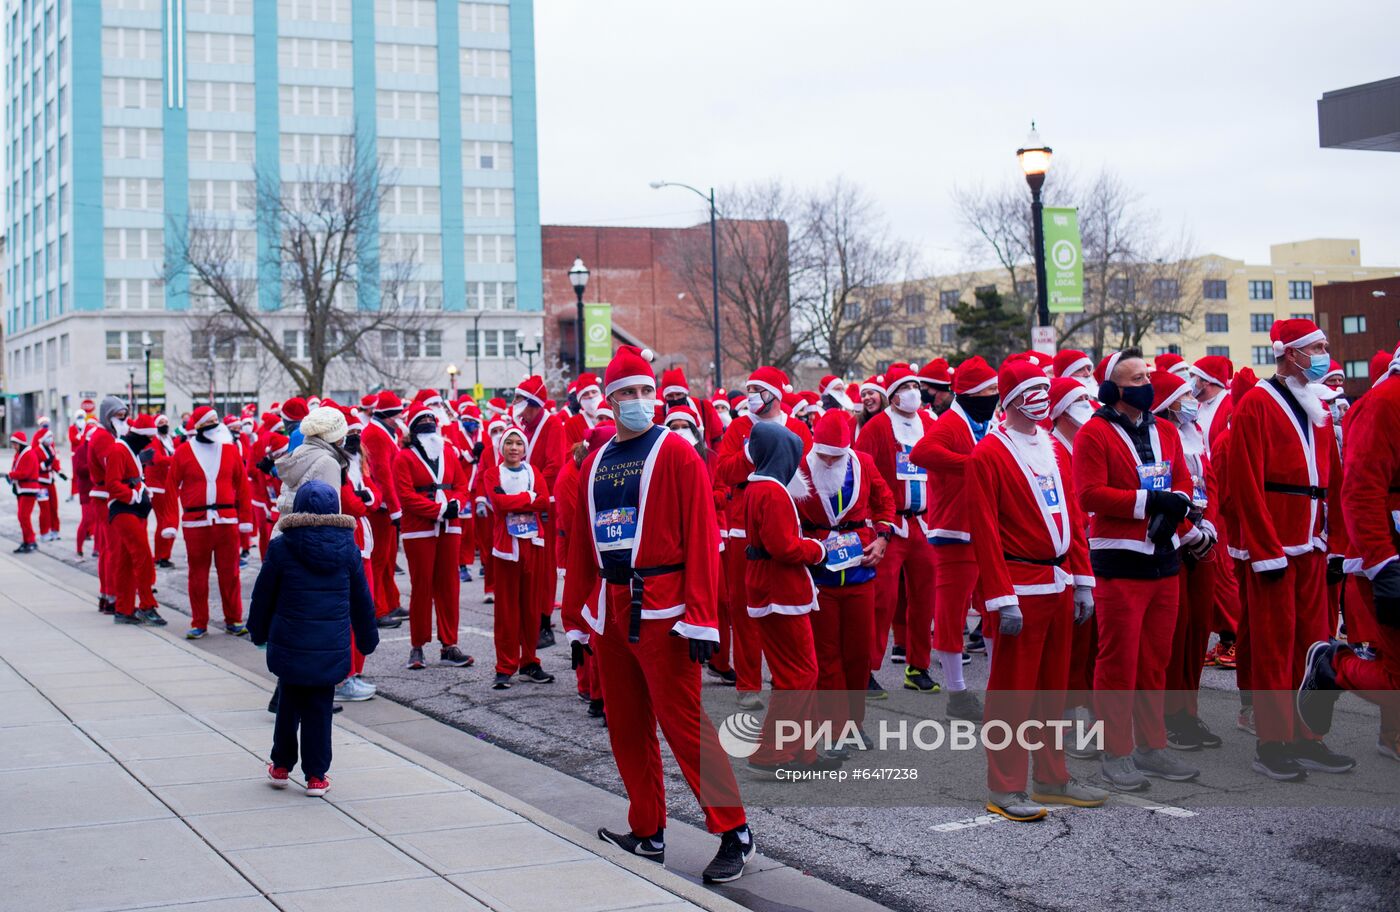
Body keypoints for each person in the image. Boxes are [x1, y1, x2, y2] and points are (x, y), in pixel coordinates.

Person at [560, 345, 754, 884]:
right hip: (610, 608)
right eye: (629, 392)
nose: (641, 401)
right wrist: (576, 619)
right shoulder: (595, 460)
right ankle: (647, 832)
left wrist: (702, 617)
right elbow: (582, 544)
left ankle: (734, 829)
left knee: (684, 725)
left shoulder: (677, 452)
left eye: (647, 391)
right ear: (611, 399)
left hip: (667, 609)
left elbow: (702, 536)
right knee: (626, 727)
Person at [968, 359, 1106, 821]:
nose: (1041, 396)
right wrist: (1001, 598)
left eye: (1043, 388)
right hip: (1020, 588)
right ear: (1008, 399)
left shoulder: (1055, 448)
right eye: (1030, 388)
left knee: (1055, 692)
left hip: (1061, 583)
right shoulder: (988, 453)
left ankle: (1052, 777)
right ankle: (1004, 787)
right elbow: (984, 533)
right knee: (1012, 694)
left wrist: (1084, 582)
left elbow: (1075, 521)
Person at [1228, 319, 1355, 780]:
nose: (1324, 354)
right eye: (1317, 347)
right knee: (1273, 648)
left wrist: (1338, 543)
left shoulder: (1318, 404)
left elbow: (1335, 479)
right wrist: (1265, 550)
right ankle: (1272, 741)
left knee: (1313, 646)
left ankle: (1309, 737)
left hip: (1315, 542)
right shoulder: (1255, 406)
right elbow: (1246, 483)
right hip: (1277, 546)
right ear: (1291, 353)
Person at [1074, 349, 1200, 790]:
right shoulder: (1095, 433)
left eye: (1147, 375)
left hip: (1164, 559)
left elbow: (1183, 479)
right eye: (1136, 378)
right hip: (1120, 561)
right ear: (1113, 390)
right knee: (1118, 662)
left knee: (1154, 661)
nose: (1147, 383)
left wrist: (1177, 508)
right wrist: (1149, 504)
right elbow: (1090, 494)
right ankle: (1116, 752)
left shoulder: (1165, 429)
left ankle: (1152, 746)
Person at [1297, 342, 1400, 762]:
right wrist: (1384, 563)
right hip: (1389, 554)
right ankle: (1332, 666)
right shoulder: (1384, 403)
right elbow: (1359, 490)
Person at [250, 480, 379, 797]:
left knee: (288, 705)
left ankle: (281, 765)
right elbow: (361, 598)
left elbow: (263, 594)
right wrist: (367, 637)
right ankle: (316, 775)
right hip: (330, 646)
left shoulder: (282, 546)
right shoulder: (348, 547)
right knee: (320, 710)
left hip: (291, 643)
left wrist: (258, 630)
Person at [714, 366, 814, 709]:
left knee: (789, 605)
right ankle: (748, 682)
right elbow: (723, 472)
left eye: (758, 389)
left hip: (789, 521)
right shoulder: (739, 428)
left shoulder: (798, 428)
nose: (751, 395)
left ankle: (786, 675)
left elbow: (809, 474)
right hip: (745, 526)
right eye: (748, 388)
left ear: (775, 393)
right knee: (744, 606)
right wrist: (749, 455)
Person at [797, 410, 894, 746]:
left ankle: (854, 725)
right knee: (826, 657)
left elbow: (885, 502)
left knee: (857, 656)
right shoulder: (801, 465)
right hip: (820, 576)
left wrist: (882, 538)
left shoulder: (863, 463)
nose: (829, 459)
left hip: (859, 571)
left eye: (836, 455)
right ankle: (833, 728)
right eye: (824, 453)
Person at [911, 356, 998, 717]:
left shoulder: (991, 421)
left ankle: (999, 686)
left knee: (994, 608)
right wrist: (975, 464)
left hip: (989, 529)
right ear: (974, 393)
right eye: (990, 390)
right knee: (951, 613)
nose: (995, 396)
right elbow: (921, 452)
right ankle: (957, 693)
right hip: (954, 531)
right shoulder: (950, 422)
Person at [1150, 371, 1224, 751]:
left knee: (1198, 630)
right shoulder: (1158, 437)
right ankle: (1168, 715)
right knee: (1174, 634)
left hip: (1203, 539)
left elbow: (1208, 485)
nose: (1191, 400)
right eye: (1183, 396)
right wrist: (1188, 533)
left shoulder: (1195, 435)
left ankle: (1188, 712)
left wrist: (1207, 526)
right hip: (1174, 542)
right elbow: (1163, 492)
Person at [855, 363, 939, 694]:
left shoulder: (930, 423)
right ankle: (865, 669)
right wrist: (873, 524)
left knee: (925, 598)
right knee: (882, 601)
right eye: (906, 386)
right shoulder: (876, 428)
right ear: (892, 395)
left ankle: (918, 666)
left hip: (924, 523)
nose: (913, 392)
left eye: (916, 385)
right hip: (888, 526)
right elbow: (861, 474)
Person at [394, 403, 474, 670]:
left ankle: (449, 645)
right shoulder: (403, 457)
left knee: (449, 586)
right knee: (422, 587)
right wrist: (439, 509)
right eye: (422, 420)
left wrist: (456, 504)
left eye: (432, 419)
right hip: (419, 529)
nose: (429, 423)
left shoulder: (449, 452)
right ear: (413, 429)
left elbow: (462, 485)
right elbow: (406, 496)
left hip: (450, 526)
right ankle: (417, 646)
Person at [169, 407, 254, 639]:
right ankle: (199, 622)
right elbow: (170, 488)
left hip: (227, 521)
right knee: (197, 575)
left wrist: (246, 520)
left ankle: (234, 619)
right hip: (195, 523)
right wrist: (169, 523)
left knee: (231, 573)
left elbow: (243, 487)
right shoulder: (183, 452)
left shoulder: (230, 450)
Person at [483, 425, 554, 688]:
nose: (514, 448)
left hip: (532, 544)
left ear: (525, 448)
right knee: (506, 610)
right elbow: (499, 505)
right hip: (506, 549)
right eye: (509, 443)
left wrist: (519, 499)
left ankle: (530, 662)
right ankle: (505, 666)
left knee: (531, 608)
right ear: (502, 448)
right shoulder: (493, 474)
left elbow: (545, 501)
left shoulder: (533, 472)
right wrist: (529, 497)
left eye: (519, 444)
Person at [512, 375, 568, 649]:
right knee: (528, 565)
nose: (516, 405)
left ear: (533, 403)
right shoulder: (524, 426)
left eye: (520, 400)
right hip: (527, 502)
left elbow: (555, 467)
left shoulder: (552, 425)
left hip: (544, 504)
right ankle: (531, 619)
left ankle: (545, 623)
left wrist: (529, 490)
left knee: (544, 568)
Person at [106, 414, 165, 626]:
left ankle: (123, 609)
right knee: (143, 557)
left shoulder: (127, 449)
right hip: (124, 510)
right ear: (140, 436)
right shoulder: (118, 450)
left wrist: (140, 490)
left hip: (133, 510)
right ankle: (146, 606)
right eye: (148, 438)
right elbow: (112, 484)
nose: (150, 443)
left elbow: (130, 479)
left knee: (126, 561)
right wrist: (134, 494)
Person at [363, 390, 408, 627]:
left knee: (389, 558)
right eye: (397, 415)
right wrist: (395, 508)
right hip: (381, 506)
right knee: (379, 558)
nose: (399, 419)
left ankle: (390, 602)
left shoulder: (385, 433)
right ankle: (377, 608)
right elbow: (383, 473)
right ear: (388, 416)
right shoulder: (376, 435)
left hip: (387, 505)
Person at [90, 396, 130, 614]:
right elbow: (113, 467)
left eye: (123, 416)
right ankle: (113, 596)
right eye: (117, 416)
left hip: (104, 494)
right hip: (108, 496)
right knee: (114, 548)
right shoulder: (104, 438)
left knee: (107, 549)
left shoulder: (104, 435)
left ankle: (107, 594)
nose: (122, 420)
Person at [275, 406, 349, 514]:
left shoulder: (299, 451)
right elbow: (331, 512)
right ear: (336, 436)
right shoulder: (328, 463)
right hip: (315, 529)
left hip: (290, 528)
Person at [149, 415, 179, 568]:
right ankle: (160, 556)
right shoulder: (154, 440)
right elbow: (157, 459)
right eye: (161, 423)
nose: (164, 425)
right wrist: (176, 459)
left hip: (167, 485)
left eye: (166, 423)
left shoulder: (168, 439)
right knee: (163, 521)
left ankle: (163, 555)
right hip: (157, 486)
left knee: (168, 520)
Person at [10, 430, 40, 553]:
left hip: (29, 489)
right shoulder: (19, 454)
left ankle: (31, 541)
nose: (13, 446)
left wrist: (11, 475)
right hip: (22, 489)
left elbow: (24, 473)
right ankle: (26, 541)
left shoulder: (28, 454)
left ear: (20, 443)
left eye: (15, 444)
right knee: (22, 517)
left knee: (23, 516)